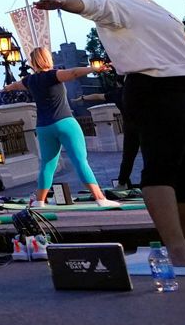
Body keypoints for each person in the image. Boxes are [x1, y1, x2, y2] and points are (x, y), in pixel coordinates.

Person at [35, 0, 185, 265]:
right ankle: (178, 248)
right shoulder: (120, 5)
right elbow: (91, 4)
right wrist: (61, 1)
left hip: (184, 93)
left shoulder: (151, 7)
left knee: (183, 170)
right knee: (162, 168)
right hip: (156, 90)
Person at [6, 48, 123, 209]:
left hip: (43, 127)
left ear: (33, 62)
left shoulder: (30, 81)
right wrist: (94, 68)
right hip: (64, 122)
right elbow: (74, 73)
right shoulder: (53, 75)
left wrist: (6, 89)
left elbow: (16, 85)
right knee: (80, 161)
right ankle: (100, 198)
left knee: (47, 164)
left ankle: (40, 201)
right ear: (47, 59)